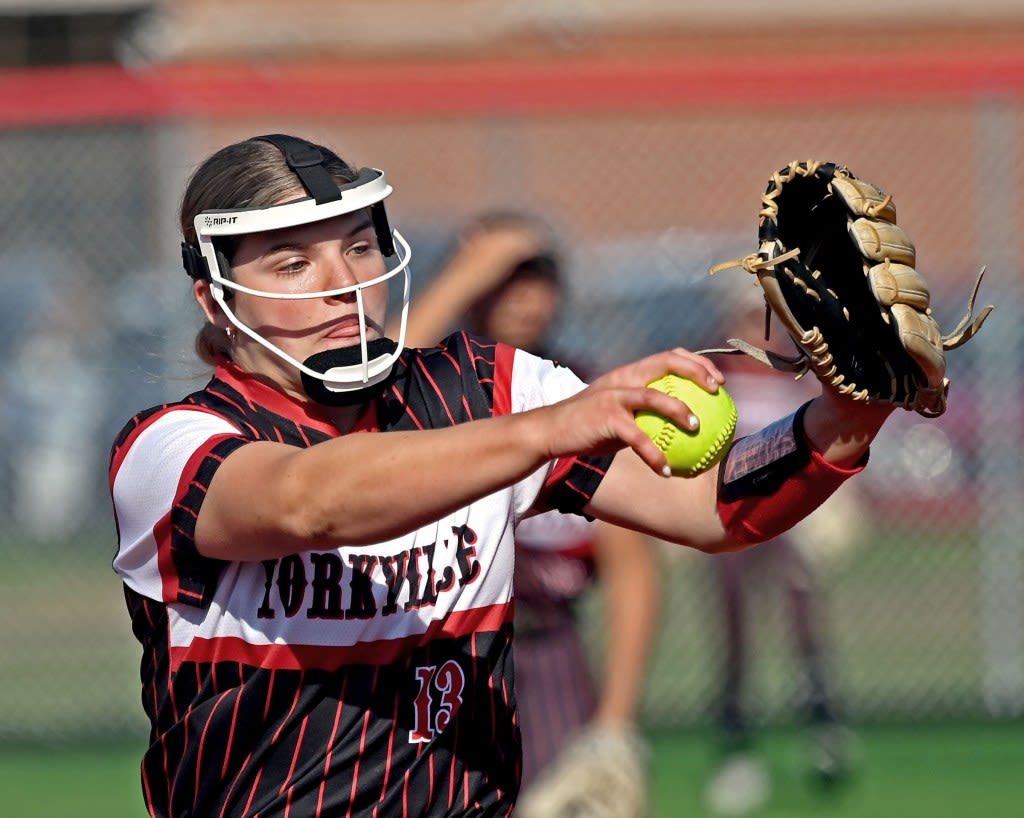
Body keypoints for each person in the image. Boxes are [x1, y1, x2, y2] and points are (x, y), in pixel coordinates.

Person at [108, 133, 895, 818]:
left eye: (356, 246)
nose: (343, 282)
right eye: (291, 262)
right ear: (215, 299)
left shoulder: (485, 386)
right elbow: (310, 501)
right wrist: (549, 429)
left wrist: (845, 418)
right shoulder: (168, 447)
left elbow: (711, 511)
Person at [392, 211, 660, 812]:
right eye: (506, 277)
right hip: (432, 652)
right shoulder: (427, 388)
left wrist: (615, 723)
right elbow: (375, 383)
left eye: (538, 277)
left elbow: (630, 567)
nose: (525, 296)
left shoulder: (582, 395)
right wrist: (467, 272)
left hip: (546, 655)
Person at [702, 294, 861, 816]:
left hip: (790, 522)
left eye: (768, 319)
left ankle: (823, 728)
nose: (759, 329)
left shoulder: (801, 374)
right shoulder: (714, 372)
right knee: (734, 623)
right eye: (748, 317)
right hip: (731, 521)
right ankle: (737, 749)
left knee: (803, 617)